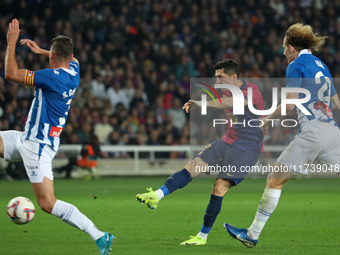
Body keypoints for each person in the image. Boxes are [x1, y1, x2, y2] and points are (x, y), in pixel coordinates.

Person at [2, 19, 114, 255]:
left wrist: (11, 43)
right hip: (28, 138)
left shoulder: (50, 77)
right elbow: (73, 59)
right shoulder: (74, 71)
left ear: (53, 57)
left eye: (49, 55)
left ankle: (100, 236)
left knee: (47, 203)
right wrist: (44, 51)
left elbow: (11, 74)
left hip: (37, 147)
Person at [224, 23, 340, 248]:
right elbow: (336, 103)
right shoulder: (322, 65)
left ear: (292, 48)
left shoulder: (296, 65)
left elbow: (288, 105)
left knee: (274, 179)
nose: (284, 53)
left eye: (284, 49)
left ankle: (252, 234)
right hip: (333, 132)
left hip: (313, 132)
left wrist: (267, 119)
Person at [136, 59, 264, 245]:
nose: (217, 82)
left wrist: (202, 103)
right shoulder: (228, 90)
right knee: (192, 166)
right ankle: (157, 195)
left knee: (219, 187)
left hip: (247, 151)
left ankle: (202, 236)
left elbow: (230, 101)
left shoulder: (251, 90)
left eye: (221, 78)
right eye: (216, 78)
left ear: (234, 77)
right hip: (227, 142)